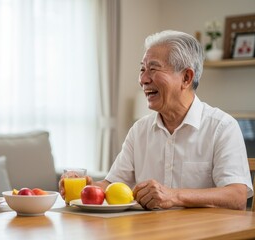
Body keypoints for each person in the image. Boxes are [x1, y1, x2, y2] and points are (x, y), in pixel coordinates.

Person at [59, 30, 253, 210]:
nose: (143, 79)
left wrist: (174, 196)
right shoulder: (139, 130)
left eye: (153, 69)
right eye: (142, 69)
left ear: (186, 78)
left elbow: (236, 196)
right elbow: (111, 185)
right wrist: (87, 186)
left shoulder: (222, 127)